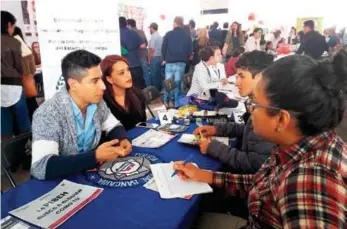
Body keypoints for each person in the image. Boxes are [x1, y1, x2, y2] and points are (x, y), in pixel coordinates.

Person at [174, 49, 347, 229]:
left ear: (281, 119)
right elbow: (263, 183)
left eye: (255, 105)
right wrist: (207, 175)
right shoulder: (298, 145)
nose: (251, 111)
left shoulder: (310, 184)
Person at [31, 50, 132, 180]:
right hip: (55, 184)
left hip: (83, 176)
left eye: (100, 79)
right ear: (73, 84)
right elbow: (41, 167)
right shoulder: (48, 113)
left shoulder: (97, 102)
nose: (103, 86)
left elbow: (114, 126)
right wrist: (94, 157)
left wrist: (123, 138)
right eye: (95, 81)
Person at [193, 51, 274, 173]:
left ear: (259, 77)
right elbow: (248, 129)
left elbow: (253, 164)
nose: (236, 82)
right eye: (237, 76)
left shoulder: (268, 112)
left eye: (242, 76)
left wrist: (214, 148)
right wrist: (216, 129)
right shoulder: (258, 104)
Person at [1, 11, 31, 140]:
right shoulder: (14, 42)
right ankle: (26, 149)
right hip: (14, 85)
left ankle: (6, 154)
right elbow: (20, 66)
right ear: (9, 25)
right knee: (23, 121)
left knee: (4, 125)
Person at [101, 55, 146, 130]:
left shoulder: (138, 95)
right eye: (121, 73)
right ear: (109, 79)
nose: (128, 75)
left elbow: (143, 123)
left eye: (128, 70)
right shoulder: (103, 102)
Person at [162, 16, 193, 107]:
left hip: (170, 62)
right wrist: (185, 58)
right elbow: (190, 50)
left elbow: (163, 48)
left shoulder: (168, 34)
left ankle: (166, 101)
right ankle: (176, 103)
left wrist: (164, 59)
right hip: (181, 62)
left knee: (168, 83)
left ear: (175, 23)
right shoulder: (187, 36)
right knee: (178, 83)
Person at [13, 26, 38, 121]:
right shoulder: (27, 48)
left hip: (17, 87)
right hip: (29, 86)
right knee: (32, 114)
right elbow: (33, 69)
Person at [119, 17, 146, 89]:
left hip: (125, 65)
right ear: (126, 24)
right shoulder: (133, 32)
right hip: (137, 63)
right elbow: (143, 45)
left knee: (130, 88)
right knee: (140, 86)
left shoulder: (117, 34)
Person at [127, 19, 150, 88]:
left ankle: (139, 91)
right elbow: (146, 43)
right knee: (146, 74)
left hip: (136, 57)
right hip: (144, 55)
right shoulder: (141, 31)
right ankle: (149, 89)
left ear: (129, 25)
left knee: (137, 75)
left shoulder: (130, 33)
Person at [148, 22, 163, 91]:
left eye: (150, 28)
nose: (149, 30)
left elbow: (151, 50)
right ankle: (160, 89)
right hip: (160, 57)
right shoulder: (160, 36)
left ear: (152, 28)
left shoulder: (153, 37)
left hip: (154, 57)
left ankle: (155, 91)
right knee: (159, 74)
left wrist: (149, 59)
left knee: (154, 75)